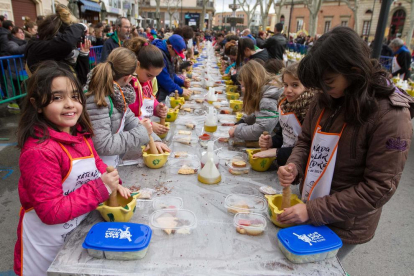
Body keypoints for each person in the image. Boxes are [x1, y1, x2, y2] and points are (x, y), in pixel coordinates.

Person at [277, 26, 414, 261]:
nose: (324, 89)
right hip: (310, 202)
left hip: (346, 222)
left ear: (353, 70)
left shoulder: (391, 115)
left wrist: (313, 210)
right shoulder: (327, 97)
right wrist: (294, 166)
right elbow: (306, 140)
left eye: (329, 82)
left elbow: (379, 188)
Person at [14, 61, 128, 276]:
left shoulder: (79, 135)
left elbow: (96, 164)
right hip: (46, 244)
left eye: (75, 97)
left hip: (75, 231)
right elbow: (50, 211)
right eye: (58, 98)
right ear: (37, 104)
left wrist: (112, 179)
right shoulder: (40, 152)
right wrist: (100, 188)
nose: (69, 104)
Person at [84, 47, 169, 167]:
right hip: (98, 168)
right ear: (127, 78)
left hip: (111, 163)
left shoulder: (117, 92)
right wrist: (142, 132)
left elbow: (130, 119)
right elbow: (103, 145)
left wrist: (154, 139)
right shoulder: (97, 98)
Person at [253, 63, 314, 167]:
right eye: (286, 85)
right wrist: (271, 142)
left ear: (307, 86)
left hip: (299, 168)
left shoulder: (310, 111)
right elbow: (284, 135)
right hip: (284, 163)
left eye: (295, 85)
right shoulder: (285, 104)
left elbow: (309, 149)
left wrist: (277, 152)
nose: (288, 90)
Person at [25, 4, 91, 86]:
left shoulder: (63, 52)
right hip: (46, 95)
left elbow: (80, 80)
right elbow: (66, 43)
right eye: (72, 34)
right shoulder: (36, 47)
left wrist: (83, 55)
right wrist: (81, 26)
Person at [123, 37, 169, 136]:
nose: (151, 79)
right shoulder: (126, 86)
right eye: (149, 75)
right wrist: (150, 125)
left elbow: (148, 100)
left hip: (143, 131)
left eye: (154, 76)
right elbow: (126, 116)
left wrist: (157, 108)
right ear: (137, 65)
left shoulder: (146, 80)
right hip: (130, 135)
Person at [228, 60, 282, 140]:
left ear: (253, 83)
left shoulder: (268, 99)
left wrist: (237, 131)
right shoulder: (262, 92)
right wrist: (242, 121)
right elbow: (256, 112)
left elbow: (261, 129)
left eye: (244, 86)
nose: (242, 89)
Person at [153, 34, 191, 101]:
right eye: (176, 53)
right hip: (158, 95)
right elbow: (165, 81)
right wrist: (181, 91)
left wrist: (182, 82)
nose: (177, 56)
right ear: (170, 47)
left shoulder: (168, 53)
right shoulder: (160, 56)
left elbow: (171, 74)